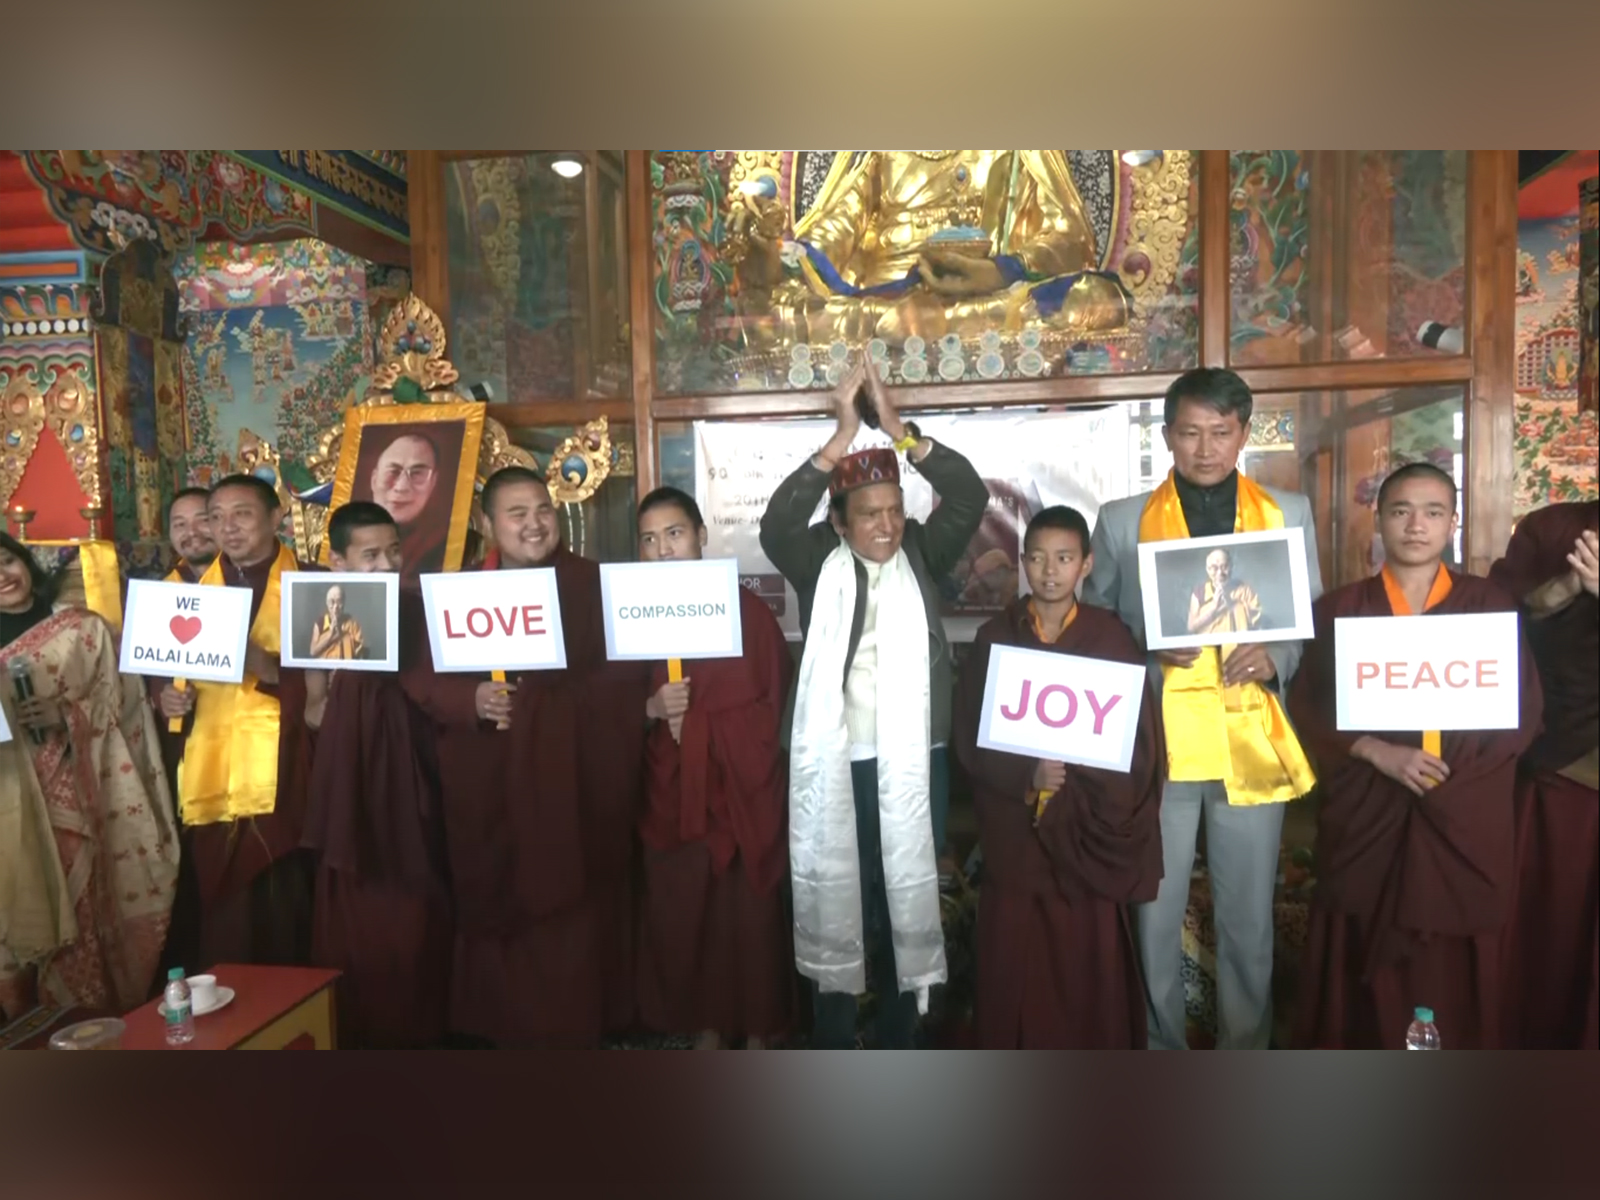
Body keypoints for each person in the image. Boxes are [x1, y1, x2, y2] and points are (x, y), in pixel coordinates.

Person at [1083, 367, 1320, 1050]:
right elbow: (1094, 622)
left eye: (1221, 432)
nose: (1206, 448)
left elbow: (1303, 617)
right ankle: (1161, 1044)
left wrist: (1277, 657)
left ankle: (1247, 1048)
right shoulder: (1122, 520)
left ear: (1243, 434)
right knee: (1153, 908)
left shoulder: (1287, 512)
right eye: (1190, 433)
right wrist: (1146, 648)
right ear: (1166, 436)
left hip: (1251, 736)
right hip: (1159, 742)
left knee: (1248, 912)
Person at [759, 357, 987, 1048]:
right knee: (840, 889)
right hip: (837, 758)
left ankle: (898, 1033)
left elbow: (968, 496)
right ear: (838, 522)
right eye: (869, 515)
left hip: (917, 755)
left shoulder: (922, 551)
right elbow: (776, 524)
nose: (886, 526)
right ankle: (832, 1034)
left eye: (894, 511)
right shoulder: (816, 562)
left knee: (904, 891)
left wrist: (897, 430)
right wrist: (842, 436)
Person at [1287, 464, 1541, 1048]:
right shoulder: (1339, 609)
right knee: (1356, 929)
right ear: (1379, 520)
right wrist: (1372, 750)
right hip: (1369, 807)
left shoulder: (1490, 605)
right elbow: (1306, 706)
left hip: (1463, 805)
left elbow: (1522, 714)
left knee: (1456, 947)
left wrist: (1454, 788)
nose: (1416, 525)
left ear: (1453, 522)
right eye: (1400, 511)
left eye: (1432, 512)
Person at [411, 467, 647, 1045]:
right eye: (517, 514)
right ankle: (497, 1021)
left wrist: (548, 702)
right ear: (487, 521)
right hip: (489, 775)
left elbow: (624, 677)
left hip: (569, 774)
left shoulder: (592, 583)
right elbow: (421, 678)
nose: (535, 524)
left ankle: (581, 1018)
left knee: (573, 890)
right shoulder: (460, 592)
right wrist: (470, 698)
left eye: (543, 510)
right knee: (495, 887)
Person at [953, 507, 1165, 1048]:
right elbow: (971, 736)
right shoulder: (995, 638)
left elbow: (1139, 745)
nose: (1050, 571)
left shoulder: (1110, 639)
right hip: (1018, 834)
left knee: (1084, 957)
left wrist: (1080, 774)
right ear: (1022, 562)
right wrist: (1027, 775)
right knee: (1015, 957)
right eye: (1039, 558)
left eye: (1064, 558)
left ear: (1086, 564)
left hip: (1085, 833)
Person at [633, 487, 795, 1049]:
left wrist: (702, 729)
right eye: (649, 540)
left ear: (702, 535)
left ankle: (758, 1030)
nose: (663, 550)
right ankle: (705, 1024)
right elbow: (610, 703)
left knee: (748, 917)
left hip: (740, 795)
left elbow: (774, 706)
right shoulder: (634, 613)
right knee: (688, 913)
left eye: (674, 534)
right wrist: (652, 708)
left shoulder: (748, 613)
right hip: (676, 794)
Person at [0, 532, 179, 1018]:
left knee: (82, 907)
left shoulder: (82, 629)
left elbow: (124, 700)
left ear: (26, 563)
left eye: (8, 561)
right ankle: (27, 1030)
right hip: (11, 804)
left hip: (81, 797)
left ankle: (89, 1025)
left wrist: (66, 716)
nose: (3, 576)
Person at [301, 502, 451, 1047]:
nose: (387, 564)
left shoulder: (417, 606)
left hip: (409, 763)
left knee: (413, 883)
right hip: (350, 766)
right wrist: (325, 697)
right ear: (338, 563)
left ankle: (419, 1025)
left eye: (393, 551)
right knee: (350, 891)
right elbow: (312, 704)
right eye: (370, 556)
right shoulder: (320, 606)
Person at [154, 474, 317, 967]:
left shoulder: (315, 583)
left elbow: (345, 684)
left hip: (289, 762)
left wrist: (273, 670)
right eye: (216, 517)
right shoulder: (181, 595)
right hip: (208, 764)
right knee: (218, 911)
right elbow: (160, 678)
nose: (227, 527)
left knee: (284, 899)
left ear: (276, 517)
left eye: (242, 514)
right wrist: (168, 700)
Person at [1489, 499, 1598, 1048]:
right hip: (1566, 755)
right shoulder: (1552, 527)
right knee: (1551, 920)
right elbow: (1499, 616)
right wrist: (1568, 588)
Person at [151, 486, 217, 979]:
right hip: (185, 749)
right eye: (180, 524)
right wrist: (161, 697)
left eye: (203, 520)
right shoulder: (161, 595)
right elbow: (147, 673)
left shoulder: (265, 584)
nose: (191, 532)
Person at [367, 431, 448, 582]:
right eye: (392, 472)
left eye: (417, 474)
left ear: (433, 482)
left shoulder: (443, 545)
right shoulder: (349, 538)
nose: (401, 487)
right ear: (374, 480)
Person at [1187, 548, 1262, 636]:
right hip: (1210, 642)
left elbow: (1258, 622)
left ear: (1231, 567)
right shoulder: (1200, 593)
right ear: (1208, 570)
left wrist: (1233, 605)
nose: (1220, 573)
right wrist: (1213, 608)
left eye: (1224, 567)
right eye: (1214, 568)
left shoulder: (1244, 590)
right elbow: (1191, 627)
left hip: (1239, 642)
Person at [308, 585, 365, 661]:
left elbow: (360, 652)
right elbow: (313, 652)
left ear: (344, 603)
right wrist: (330, 635)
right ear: (327, 604)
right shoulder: (321, 623)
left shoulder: (352, 624)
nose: (335, 607)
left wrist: (343, 635)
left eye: (339, 602)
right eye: (332, 602)